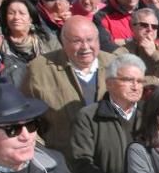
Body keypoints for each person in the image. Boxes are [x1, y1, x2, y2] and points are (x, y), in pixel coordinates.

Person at [24, 16, 116, 156]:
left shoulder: (116, 65)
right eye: (77, 41)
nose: (85, 47)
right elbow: (25, 118)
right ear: (63, 42)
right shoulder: (38, 70)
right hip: (63, 159)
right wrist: (43, 152)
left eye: (90, 40)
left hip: (111, 157)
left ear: (98, 40)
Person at [0, 0, 62, 65]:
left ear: (31, 18)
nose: (16, 17)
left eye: (22, 13)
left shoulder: (48, 40)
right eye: (11, 13)